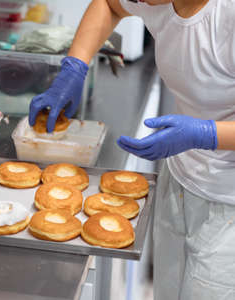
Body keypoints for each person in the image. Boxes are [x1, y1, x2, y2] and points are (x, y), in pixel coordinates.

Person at [28, 0, 235, 299]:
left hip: (227, 203)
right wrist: (75, 66)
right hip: (180, 182)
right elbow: (108, 5)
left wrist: (205, 134)